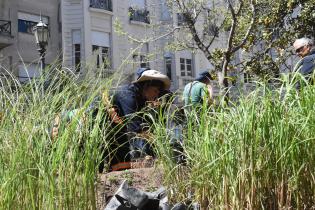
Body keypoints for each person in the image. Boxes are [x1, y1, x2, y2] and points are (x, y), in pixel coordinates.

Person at [109, 69, 171, 170]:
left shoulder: (141, 97)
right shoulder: (128, 95)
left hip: (118, 129)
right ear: (146, 86)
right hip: (105, 128)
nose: (156, 95)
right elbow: (135, 127)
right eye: (155, 91)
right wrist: (156, 145)